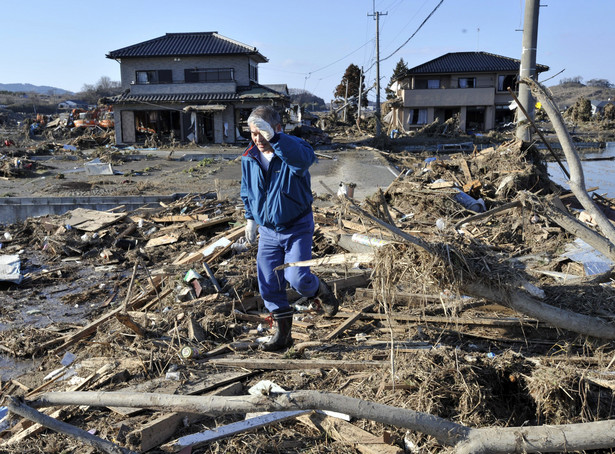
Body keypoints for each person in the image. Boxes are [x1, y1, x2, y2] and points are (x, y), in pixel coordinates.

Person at [240, 105, 338, 351]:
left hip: (296, 226)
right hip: (269, 231)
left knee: (297, 278)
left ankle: (320, 289)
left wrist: (277, 141)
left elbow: (303, 161)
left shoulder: (295, 149)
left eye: (263, 132)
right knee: (268, 283)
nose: (258, 139)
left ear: (278, 129)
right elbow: (247, 190)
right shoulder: (249, 157)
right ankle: (283, 336)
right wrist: (250, 218)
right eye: (253, 133)